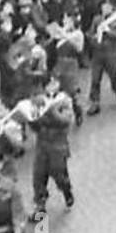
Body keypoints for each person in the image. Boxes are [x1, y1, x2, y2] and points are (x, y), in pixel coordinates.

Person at [28, 87, 75, 220]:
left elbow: (64, 122)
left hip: (58, 148)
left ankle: (67, 191)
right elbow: (36, 128)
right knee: (38, 178)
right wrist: (31, 118)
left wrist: (49, 109)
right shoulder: (40, 101)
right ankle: (40, 209)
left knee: (60, 176)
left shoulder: (64, 101)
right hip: (42, 147)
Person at [87, 0, 116, 114]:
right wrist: (93, 39)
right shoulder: (97, 20)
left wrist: (108, 32)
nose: (105, 9)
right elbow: (90, 33)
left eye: (107, 7)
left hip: (111, 52)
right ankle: (95, 102)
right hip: (98, 53)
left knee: (114, 77)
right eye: (103, 7)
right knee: (95, 78)